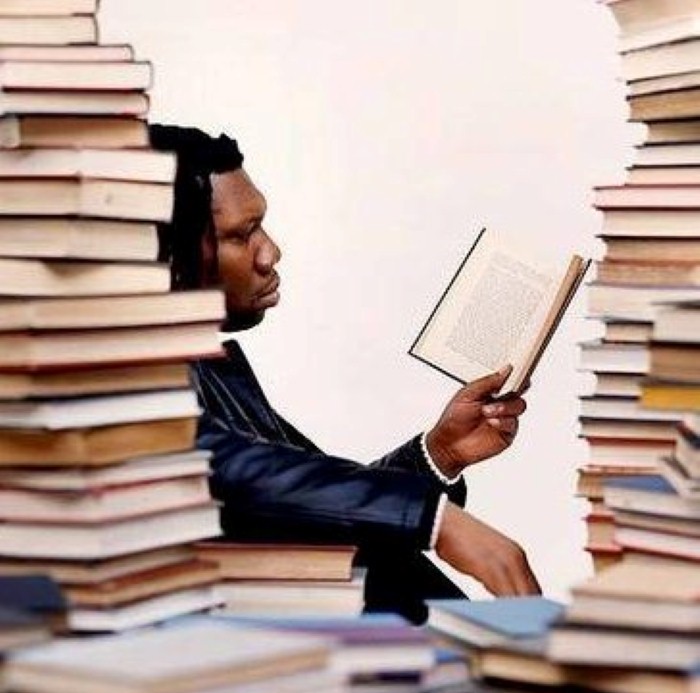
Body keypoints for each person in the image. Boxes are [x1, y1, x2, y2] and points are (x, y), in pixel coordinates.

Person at [150, 124, 541, 623]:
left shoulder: (212, 368)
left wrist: (440, 454)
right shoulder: (131, 391)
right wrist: (435, 519)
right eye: (242, 235)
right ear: (169, 253)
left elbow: (317, 512)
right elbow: (222, 468)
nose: (270, 253)